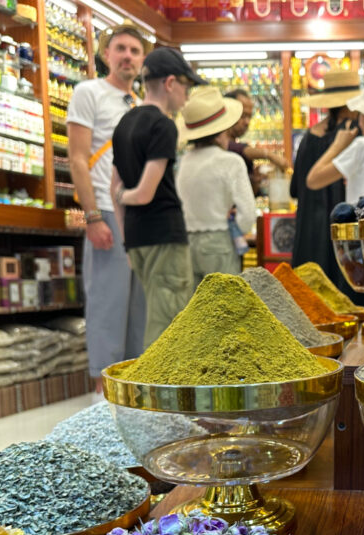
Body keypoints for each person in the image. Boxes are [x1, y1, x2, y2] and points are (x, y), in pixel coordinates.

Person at [67, 22, 150, 386]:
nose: (127, 56)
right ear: (106, 54)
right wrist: (93, 216)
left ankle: (133, 386)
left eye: (134, 50)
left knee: (140, 310)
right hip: (106, 210)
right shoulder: (89, 93)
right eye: (121, 49)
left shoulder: (143, 104)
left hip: (140, 216)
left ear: (143, 59)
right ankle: (103, 389)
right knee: (108, 304)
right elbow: (77, 158)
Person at [110, 47, 204, 347]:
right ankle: (163, 392)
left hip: (137, 238)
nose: (186, 97)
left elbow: (115, 187)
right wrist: (128, 195)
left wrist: (126, 238)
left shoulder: (125, 123)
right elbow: (143, 192)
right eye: (186, 88)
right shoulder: (163, 125)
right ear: (170, 83)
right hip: (165, 236)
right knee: (171, 328)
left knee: (155, 316)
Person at [289, 69, 360, 296]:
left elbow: (294, 189)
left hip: (308, 227)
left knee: (308, 296)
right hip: (339, 226)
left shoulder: (308, 137)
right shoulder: (353, 136)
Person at [176, 87, 258, 283]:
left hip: (188, 243)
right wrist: (235, 228)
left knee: (195, 309)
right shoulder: (230, 161)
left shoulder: (184, 162)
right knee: (223, 307)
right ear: (224, 130)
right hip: (219, 243)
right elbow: (248, 215)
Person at [224, 89, 289, 194]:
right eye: (243, 116)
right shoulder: (221, 144)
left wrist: (254, 182)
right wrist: (270, 155)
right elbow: (237, 148)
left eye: (249, 117)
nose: (247, 122)